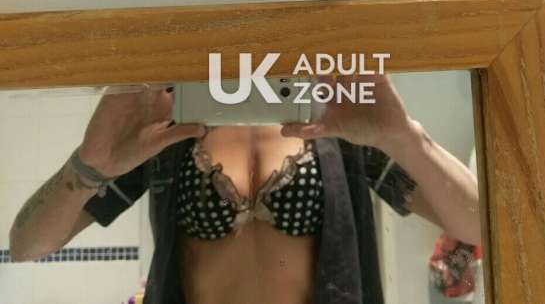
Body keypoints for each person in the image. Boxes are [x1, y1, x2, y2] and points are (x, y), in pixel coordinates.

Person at [9, 74, 480, 304]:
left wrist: (407, 138)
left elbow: (482, 223)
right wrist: (87, 167)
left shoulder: (333, 116)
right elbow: (27, 244)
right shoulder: (167, 122)